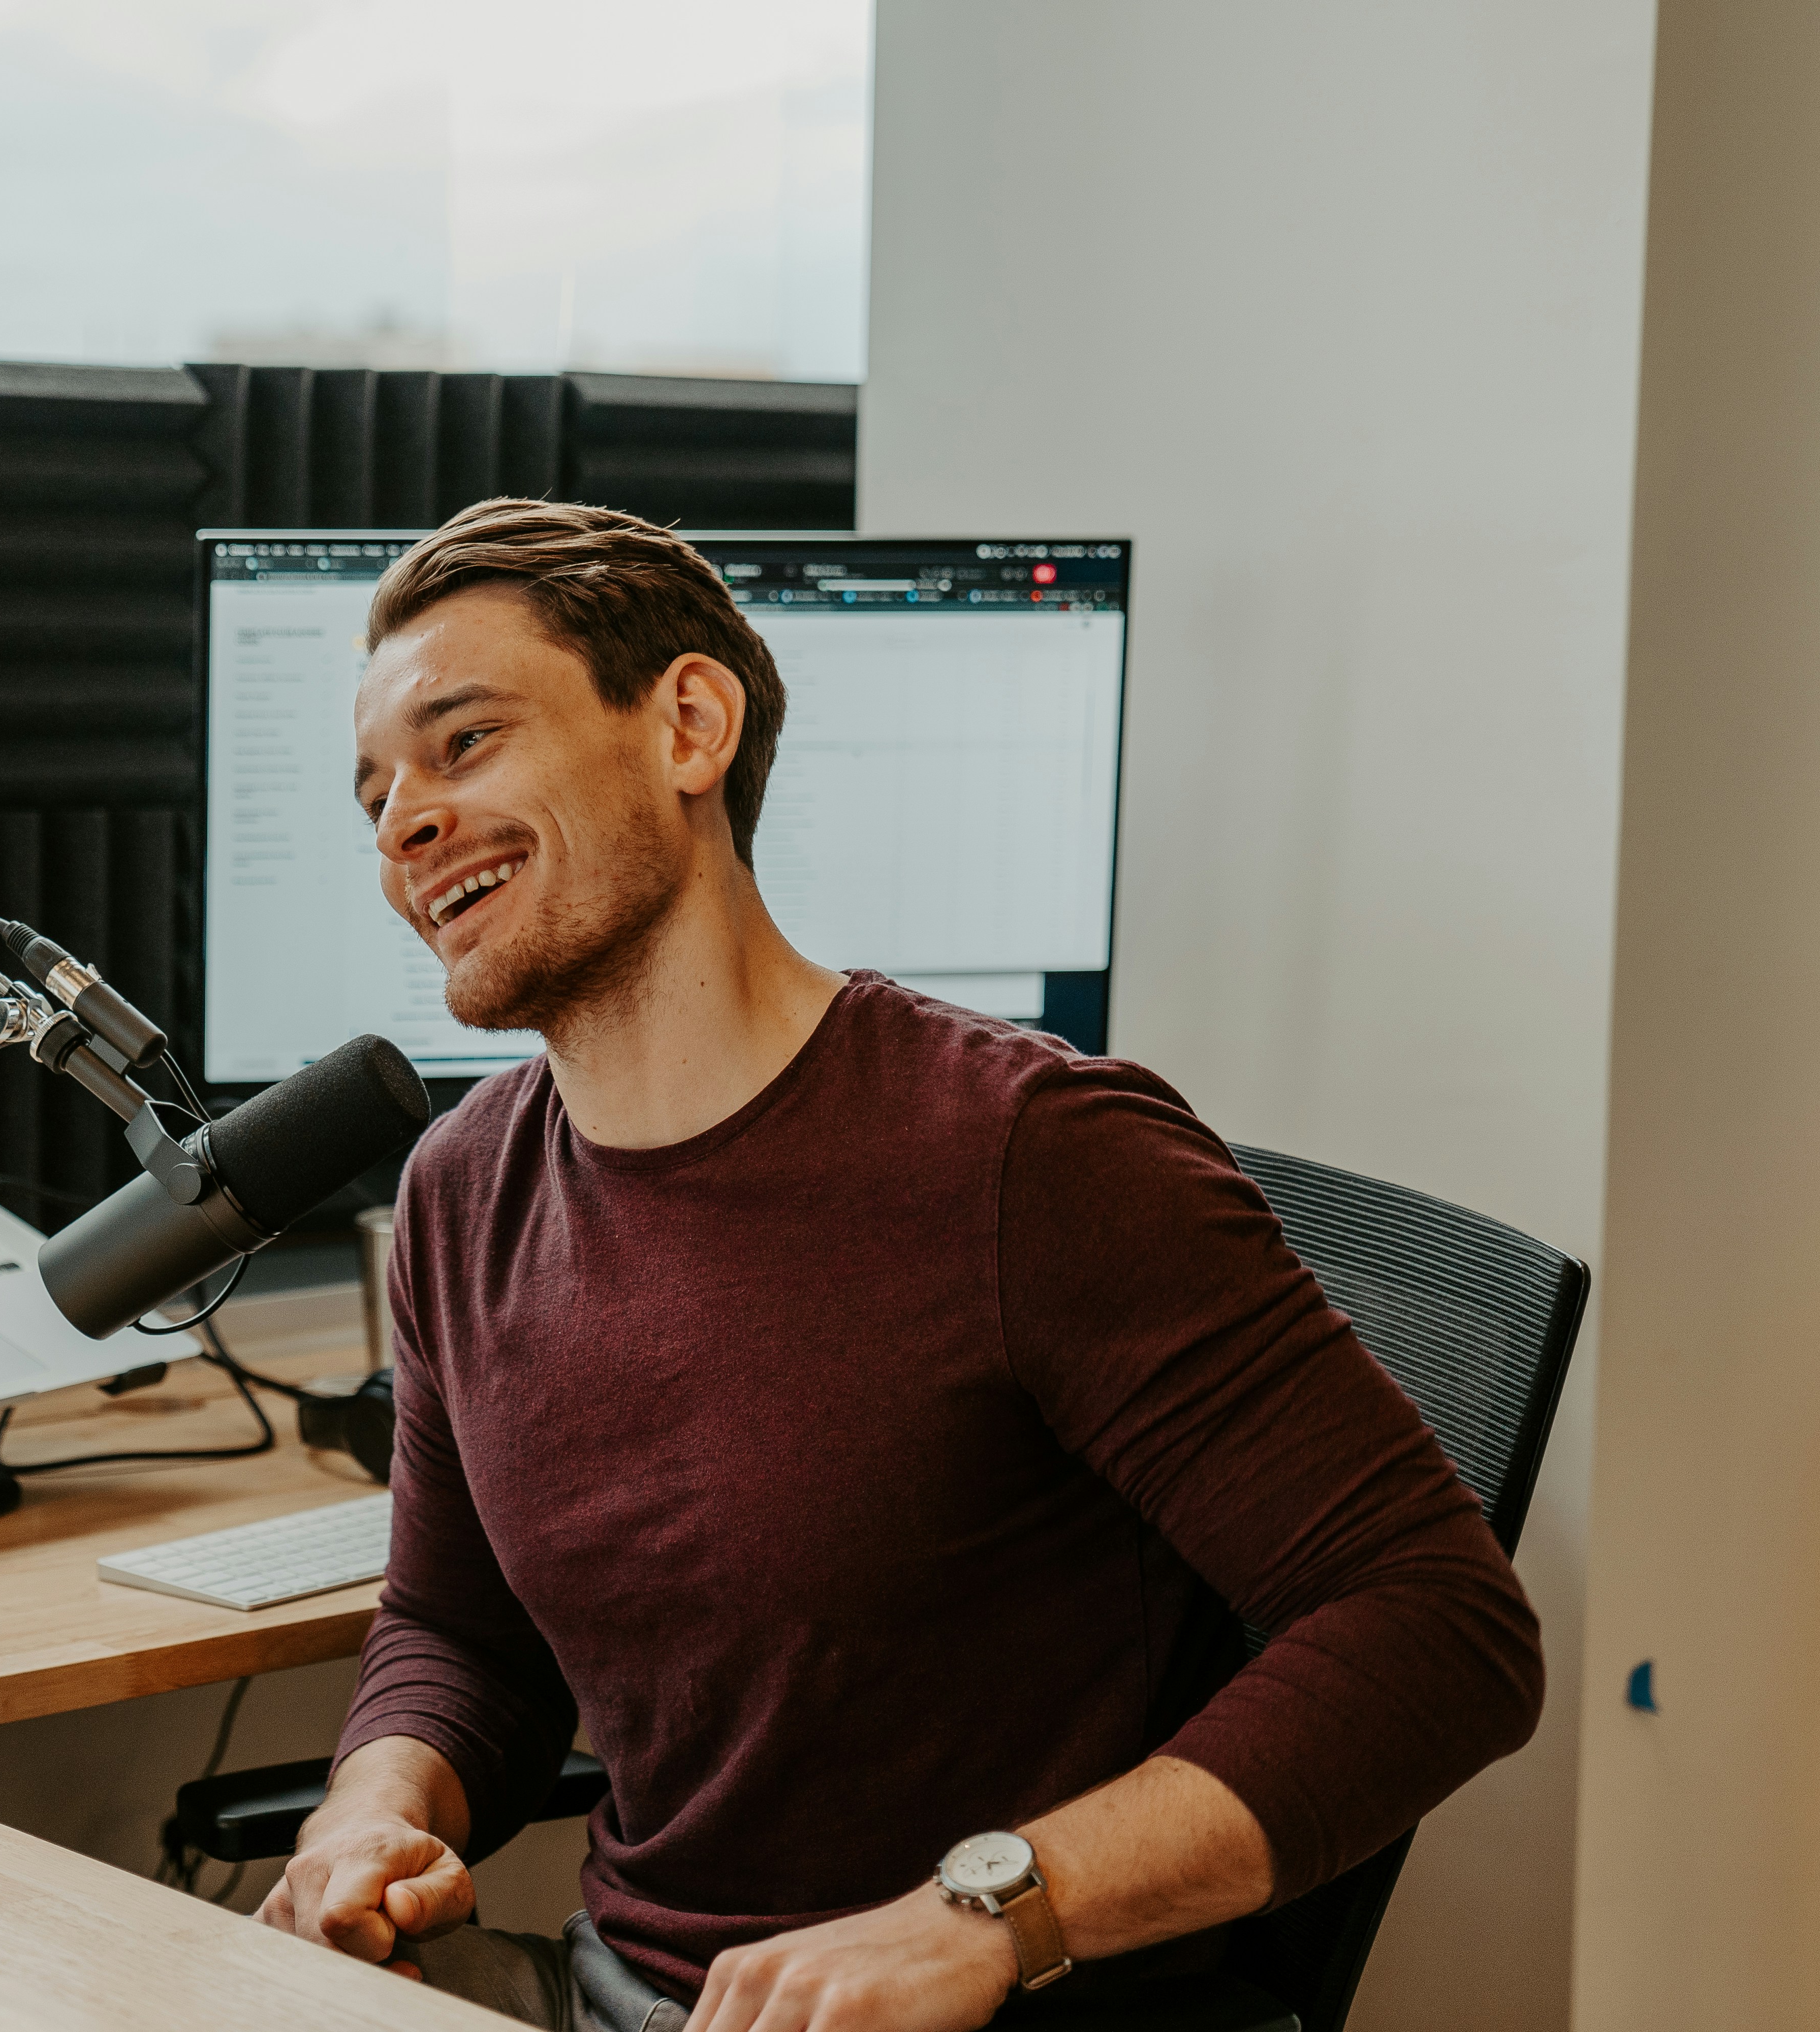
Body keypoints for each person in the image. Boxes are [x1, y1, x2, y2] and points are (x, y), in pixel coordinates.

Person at [256, 499, 1543, 2032]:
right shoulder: (464, 1195)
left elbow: (1439, 1627)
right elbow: (457, 1631)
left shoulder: (1033, 1158)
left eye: (463, 746)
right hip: (628, 1999)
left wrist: (982, 1916)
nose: (403, 826)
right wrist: (373, 1804)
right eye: (377, 794)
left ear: (687, 725)